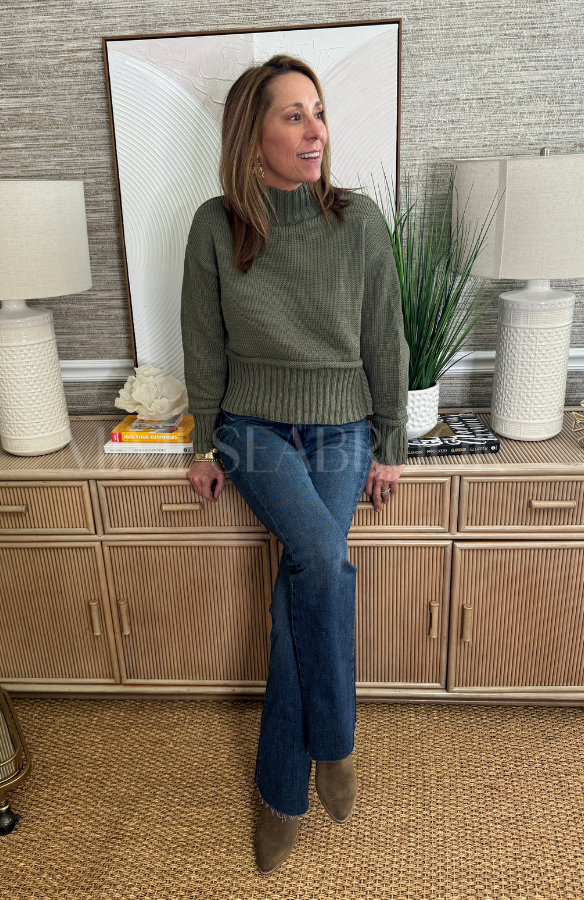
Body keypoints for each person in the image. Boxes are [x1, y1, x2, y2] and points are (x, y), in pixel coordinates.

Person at [181, 54, 409, 875]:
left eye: (319, 112)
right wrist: (204, 442)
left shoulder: (359, 220)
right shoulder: (216, 225)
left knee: (300, 585)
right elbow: (203, 341)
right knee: (320, 555)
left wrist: (390, 444)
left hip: (343, 425)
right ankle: (335, 743)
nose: (316, 131)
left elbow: (386, 335)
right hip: (253, 429)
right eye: (294, 115)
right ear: (253, 137)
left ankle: (281, 793)